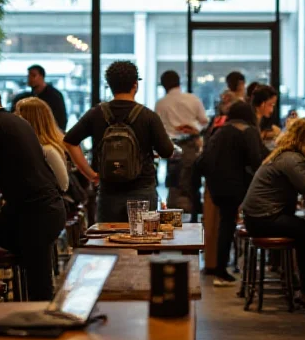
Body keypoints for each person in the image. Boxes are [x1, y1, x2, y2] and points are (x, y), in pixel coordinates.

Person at [0, 81, 66, 301]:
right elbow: (4, 177)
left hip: (35, 214)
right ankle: (17, 305)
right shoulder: (18, 122)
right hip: (50, 208)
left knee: (38, 283)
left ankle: (38, 326)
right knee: (4, 245)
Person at [64, 61, 174, 223]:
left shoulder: (96, 113)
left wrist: (90, 174)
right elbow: (167, 151)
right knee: (144, 243)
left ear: (109, 85)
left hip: (109, 191)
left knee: (109, 243)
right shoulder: (148, 116)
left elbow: (70, 141)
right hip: (142, 190)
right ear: (135, 85)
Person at [241, 118, 305, 302]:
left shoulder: (287, 155)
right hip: (263, 219)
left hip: (257, 216)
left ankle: (304, 285)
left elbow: (303, 180)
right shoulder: (292, 158)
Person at [200, 101, 267, 286]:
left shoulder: (220, 130)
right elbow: (257, 160)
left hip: (215, 185)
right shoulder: (248, 131)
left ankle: (222, 268)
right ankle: (222, 271)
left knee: (225, 225)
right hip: (235, 185)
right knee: (228, 225)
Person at [155, 70, 208, 213]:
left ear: (164, 85)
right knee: (191, 182)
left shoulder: (161, 104)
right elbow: (204, 122)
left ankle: (173, 216)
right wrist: (193, 128)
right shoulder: (193, 99)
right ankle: (194, 218)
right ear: (179, 82)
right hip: (191, 145)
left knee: (173, 183)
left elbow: (158, 129)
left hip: (171, 147)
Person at [15, 97, 70, 192]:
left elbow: (63, 185)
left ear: (28, 120)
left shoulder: (47, 151)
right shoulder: (29, 147)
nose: (14, 117)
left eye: (18, 114)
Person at [10, 65, 68, 131]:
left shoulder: (55, 96)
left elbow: (61, 120)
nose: (30, 78)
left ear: (42, 77)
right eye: (28, 76)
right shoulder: (24, 97)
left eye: (33, 75)